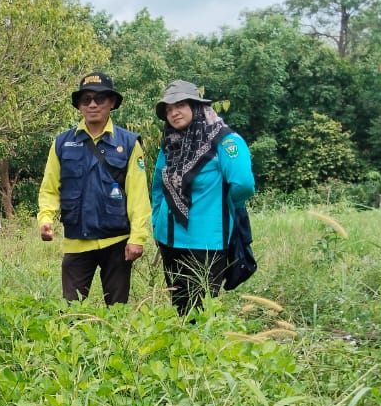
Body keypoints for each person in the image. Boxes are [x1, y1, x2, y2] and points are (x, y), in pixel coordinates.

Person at [37, 72, 151, 305]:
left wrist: (138, 237)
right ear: (79, 105)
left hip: (117, 241)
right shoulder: (62, 143)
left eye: (99, 98)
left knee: (117, 312)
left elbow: (138, 195)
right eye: (86, 99)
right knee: (70, 310)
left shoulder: (129, 143)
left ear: (111, 103)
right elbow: (49, 188)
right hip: (76, 241)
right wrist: (45, 219)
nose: (92, 104)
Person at [151, 79, 255, 315]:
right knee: (179, 307)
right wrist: (157, 220)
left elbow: (244, 183)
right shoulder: (169, 144)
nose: (173, 113)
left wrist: (228, 205)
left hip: (206, 242)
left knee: (201, 309)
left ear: (196, 106)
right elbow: (158, 186)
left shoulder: (224, 140)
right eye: (168, 109)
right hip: (169, 240)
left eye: (179, 105)